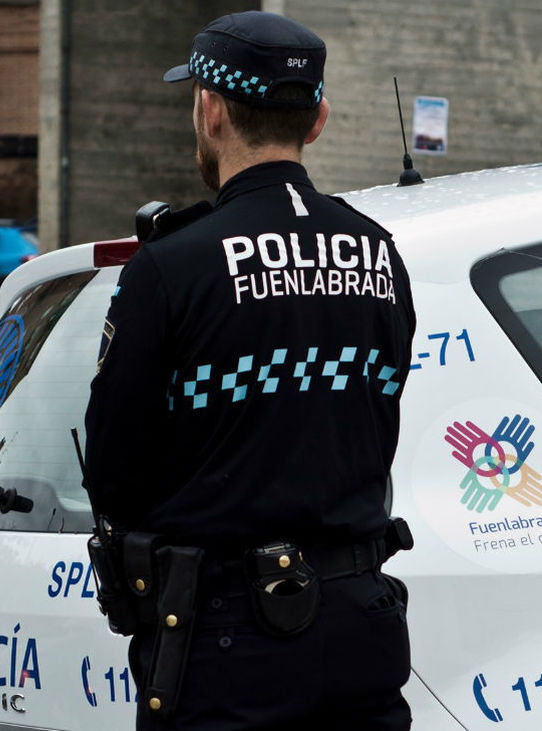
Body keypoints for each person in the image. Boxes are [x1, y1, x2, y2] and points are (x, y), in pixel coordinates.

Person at [84, 11, 416, 730]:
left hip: (226, 640)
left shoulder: (173, 267)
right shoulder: (381, 254)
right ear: (318, 118)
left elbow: (113, 472)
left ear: (210, 111)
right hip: (363, 626)